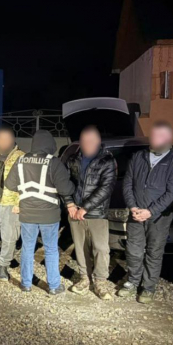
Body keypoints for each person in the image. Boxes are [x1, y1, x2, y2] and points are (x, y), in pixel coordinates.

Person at [119, 121, 173, 303]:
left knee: (154, 252)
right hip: (136, 214)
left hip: (159, 217)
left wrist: (150, 211)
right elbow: (127, 183)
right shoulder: (138, 157)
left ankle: (148, 287)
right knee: (133, 250)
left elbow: (172, 193)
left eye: (161, 136)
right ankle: (133, 281)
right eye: (154, 135)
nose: (157, 139)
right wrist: (133, 207)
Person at [5, 130, 75, 295]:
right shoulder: (53, 162)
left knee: (27, 248)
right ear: (50, 144)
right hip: (49, 215)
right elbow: (66, 189)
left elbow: (9, 184)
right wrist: (72, 184)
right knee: (50, 249)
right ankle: (54, 286)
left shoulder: (21, 160)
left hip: (27, 213)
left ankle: (26, 284)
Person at [63, 126, 117, 300]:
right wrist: (70, 204)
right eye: (85, 141)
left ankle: (100, 281)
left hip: (97, 213)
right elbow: (64, 183)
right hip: (74, 212)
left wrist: (85, 208)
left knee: (101, 248)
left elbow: (106, 188)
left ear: (98, 141)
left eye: (92, 140)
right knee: (80, 248)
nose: (88, 144)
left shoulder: (107, 161)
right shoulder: (73, 160)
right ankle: (84, 278)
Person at [0, 127, 26, 282]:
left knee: (10, 237)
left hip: (12, 205)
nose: (4, 142)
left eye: (7, 139)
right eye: (1, 138)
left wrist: (20, 202)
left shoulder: (22, 157)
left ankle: (3, 266)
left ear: (13, 140)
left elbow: (26, 182)